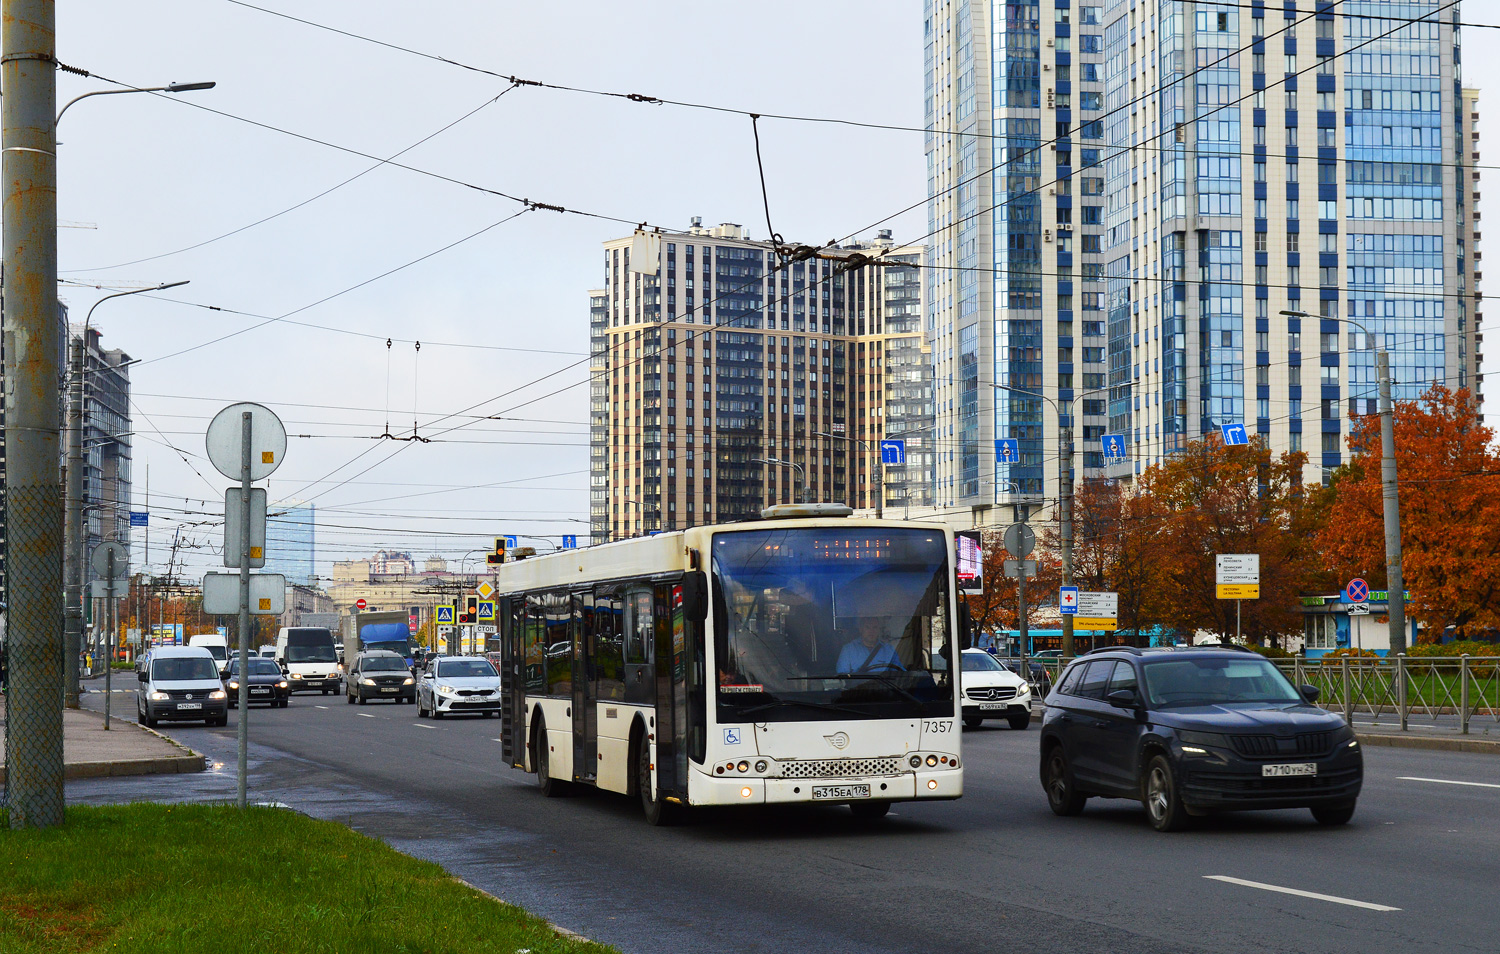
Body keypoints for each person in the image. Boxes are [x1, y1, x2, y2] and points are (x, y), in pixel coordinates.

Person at [836, 617, 904, 674]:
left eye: (875, 627)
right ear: (861, 629)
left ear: (879, 630)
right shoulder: (848, 650)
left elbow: (900, 674)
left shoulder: (889, 650)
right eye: (867, 627)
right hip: (858, 689)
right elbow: (842, 678)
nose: (871, 631)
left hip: (885, 688)